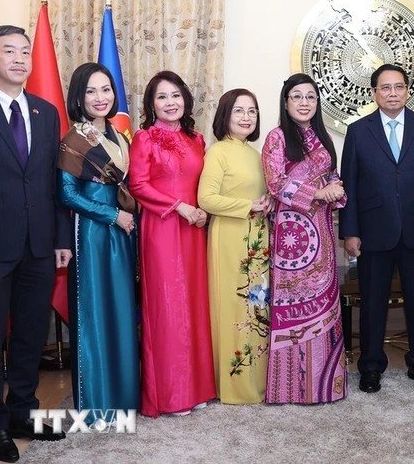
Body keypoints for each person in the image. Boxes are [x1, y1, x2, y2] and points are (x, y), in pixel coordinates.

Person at [0, 25, 71, 463]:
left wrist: (60, 238)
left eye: (26, 51)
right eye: (8, 51)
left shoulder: (46, 112)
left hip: (38, 247)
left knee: (32, 335)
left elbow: (54, 181)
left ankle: (23, 414)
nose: (19, 58)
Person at [340, 64, 414, 393]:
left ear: (407, 91)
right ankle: (371, 366)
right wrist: (351, 231)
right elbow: (351, 185)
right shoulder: (359, 131)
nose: (392, 93)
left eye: (398, 87)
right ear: (374, 93)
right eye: (385, 88)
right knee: (373, 302)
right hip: (374, 231)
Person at [129, 70, 216, 417]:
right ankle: (171, 393)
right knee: (167, 306)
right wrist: (178, 207)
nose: (170, 102)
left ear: (186, 100)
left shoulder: (197, 139)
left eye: (175, 95)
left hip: (194, 229)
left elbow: (204, 187)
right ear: (152, 104)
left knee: (194, 304)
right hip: (162, 227)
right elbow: (138, 185)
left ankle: (198, 388)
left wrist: (202, 212)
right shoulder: (144, 138)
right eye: (162, 97)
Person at [57, 62, 139, 423]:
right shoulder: (74, 139)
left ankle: (123, 398)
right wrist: (112, 216)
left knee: (120, 309)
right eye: (91, 91)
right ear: (79, 96)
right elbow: (67, 195)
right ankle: (96, 403)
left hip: (120, 234)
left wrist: (124, 217)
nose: (100, 97)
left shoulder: (120, 137)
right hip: (91, 233)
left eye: (106, 89)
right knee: (94, 313)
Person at [262, 73, 347, 404]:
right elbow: (276, 184)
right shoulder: (276, 137)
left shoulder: (320, 137)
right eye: (297, 96)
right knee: (293, 304)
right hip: (293, 236)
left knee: (324, 301)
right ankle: (291, 388)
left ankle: (325, 385)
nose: (304, 102)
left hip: (323, 230)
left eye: (310, 97)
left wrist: (336, 188)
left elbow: (330, 176)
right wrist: (322, 191)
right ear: (286, 102)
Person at [198, 89, 272, 404]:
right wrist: (248, 206)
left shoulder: (257, 154)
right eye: (238, 111)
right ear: (225, 116)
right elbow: (206, 198)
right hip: (229, 240)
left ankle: (258, 381)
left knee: (258, 308)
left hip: (258, 241)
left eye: (251, 111)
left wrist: (266, 204)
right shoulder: (218, 152)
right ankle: (234, 386)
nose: (245, 117)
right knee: (234, 309)